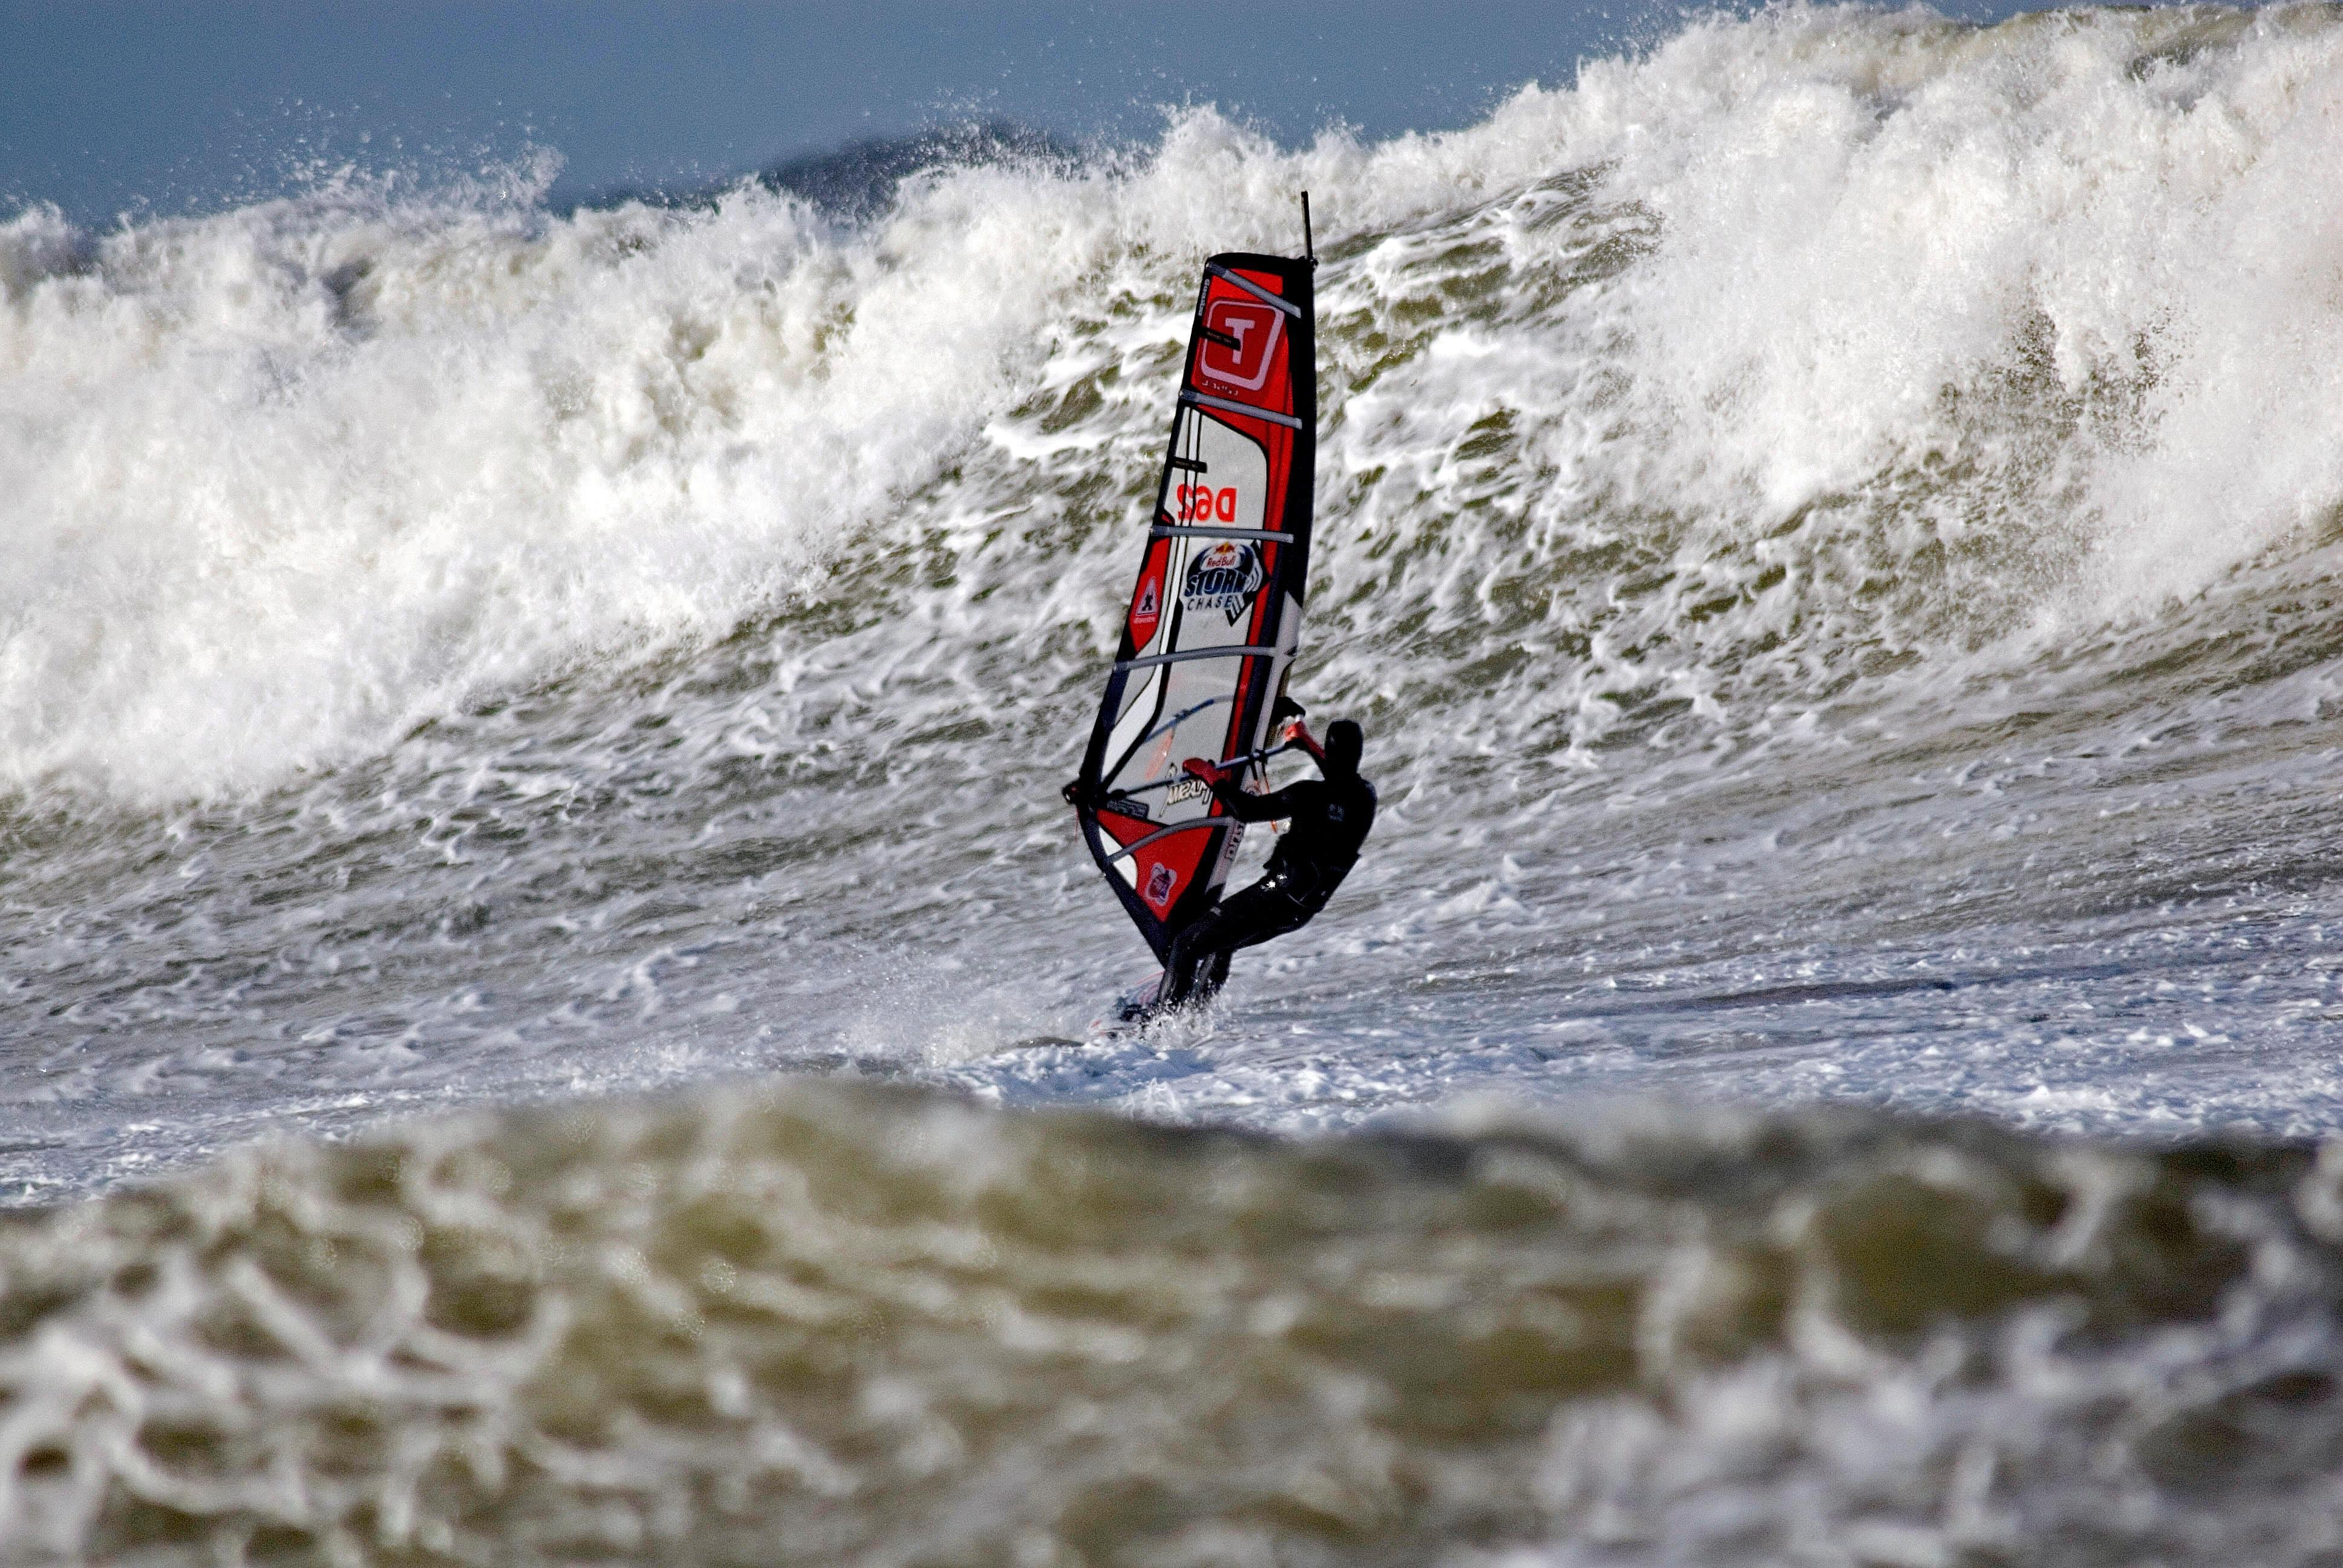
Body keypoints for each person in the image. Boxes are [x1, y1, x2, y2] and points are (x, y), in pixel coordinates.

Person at [1153, 717, 1376, 1011]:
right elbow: (1340, 780)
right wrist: (1308, 745)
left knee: (1186, 944)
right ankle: (1191, 1019)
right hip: (1303, 909)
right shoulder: (1365, 796)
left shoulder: (1307, 795)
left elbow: (1245, 810)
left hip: (1276, 895)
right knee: (1223, 944)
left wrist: (1209, 775)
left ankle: (1159, 1027)